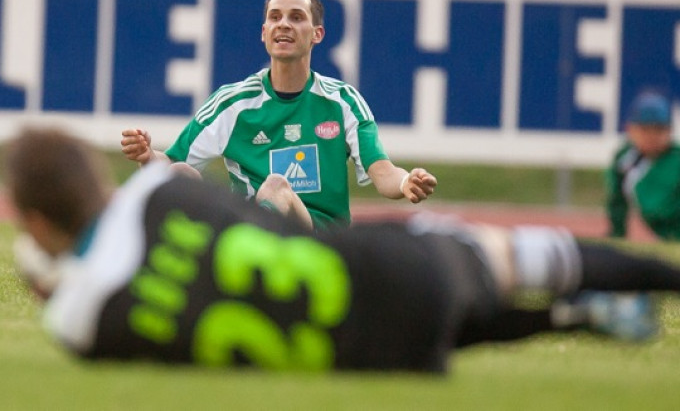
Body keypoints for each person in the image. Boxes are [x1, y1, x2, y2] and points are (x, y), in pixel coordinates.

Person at [7, 127, 680, 373]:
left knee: (411, 322)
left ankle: (572, 317)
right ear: (95, 178)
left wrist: (59, 281)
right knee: (521, 258)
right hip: (393, 265)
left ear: (35, 222)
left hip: (370, 354)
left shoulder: (82, 326)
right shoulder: (159, 192)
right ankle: (644, 283)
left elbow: (89, 310)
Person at [120, 0, 437, 231]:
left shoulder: (343, 102)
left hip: (322, 244)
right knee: (181, 175)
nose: (283, 24)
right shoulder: (233, 103)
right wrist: (147, 156)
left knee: (275, 188)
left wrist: (406, 182)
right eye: (275, 17)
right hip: (250, 235)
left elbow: (382, 172)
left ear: (317, 34)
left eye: (296, 17)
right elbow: (169, 166)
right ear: (264, 33)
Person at [606, 91, 680, 240]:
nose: (652, 137)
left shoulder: (676, 159)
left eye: (659, 130)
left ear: (670, 131)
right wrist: (617, 232)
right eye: (645, 129)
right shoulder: (625, 159)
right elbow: (616, 200)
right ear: (630, 129)